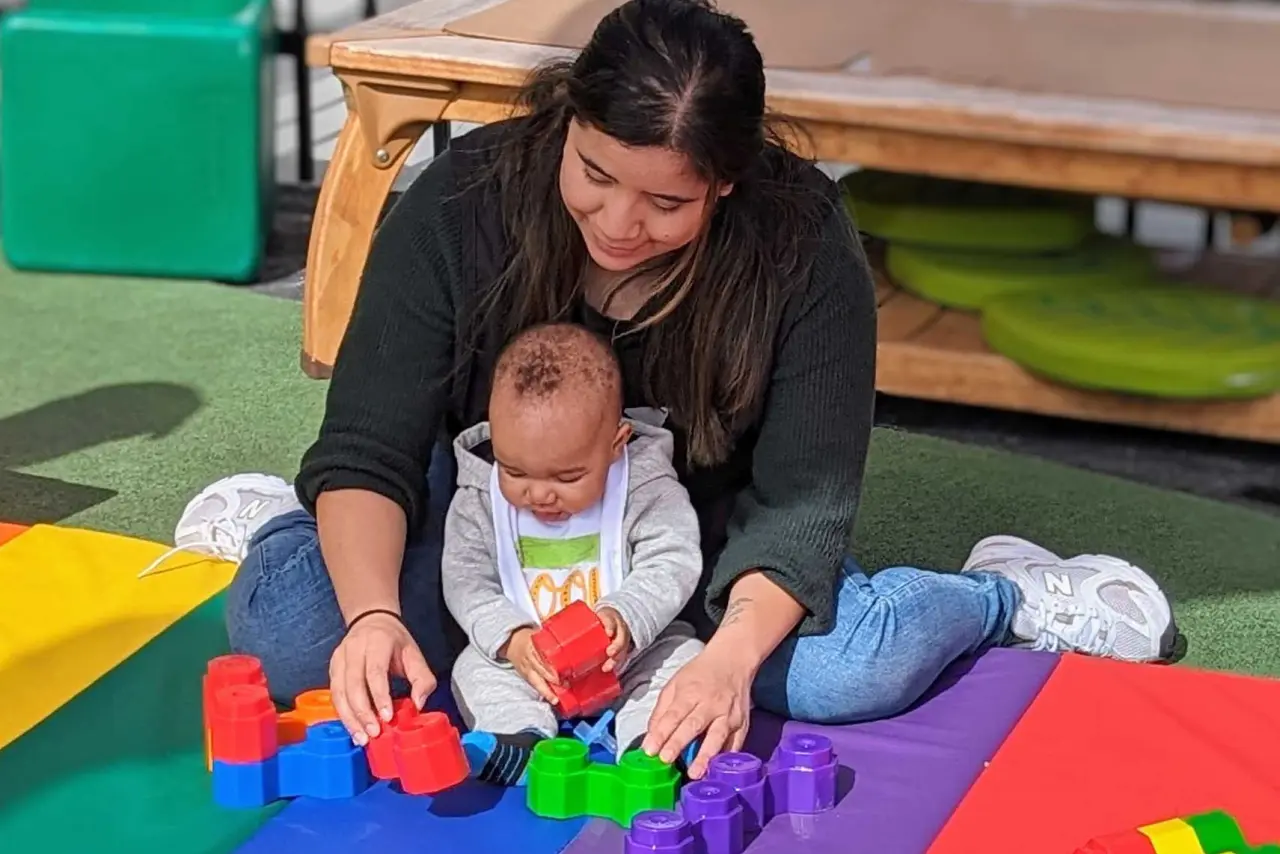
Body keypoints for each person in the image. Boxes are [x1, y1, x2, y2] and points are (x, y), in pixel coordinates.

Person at [205, 0, 1177, 782]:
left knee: (846, 668)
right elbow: (371, 438)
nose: (618, 222)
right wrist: (373, 613)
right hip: (492, 523)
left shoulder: (798, 245)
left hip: (690, 537)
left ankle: (1002, 589)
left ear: (725, 183)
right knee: (300, 632)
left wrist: (725, 659)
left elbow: (803, 500)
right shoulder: (465, 202)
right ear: (566, 123)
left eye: (665, 201)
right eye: (593, 173)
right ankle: (287, 525)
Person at [444, 322, 704, 785]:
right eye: (515, 470)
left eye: (566, 478)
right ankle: (520, 739)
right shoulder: (480, 496)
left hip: (625, 656)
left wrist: (627, 616)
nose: (539, 495)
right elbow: (466, 579)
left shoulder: (642, 485)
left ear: (615, 444)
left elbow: (673, 557)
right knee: (471, 668)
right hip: (529, 661)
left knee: (684, 655)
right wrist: (512, 640)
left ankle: (651, 740)